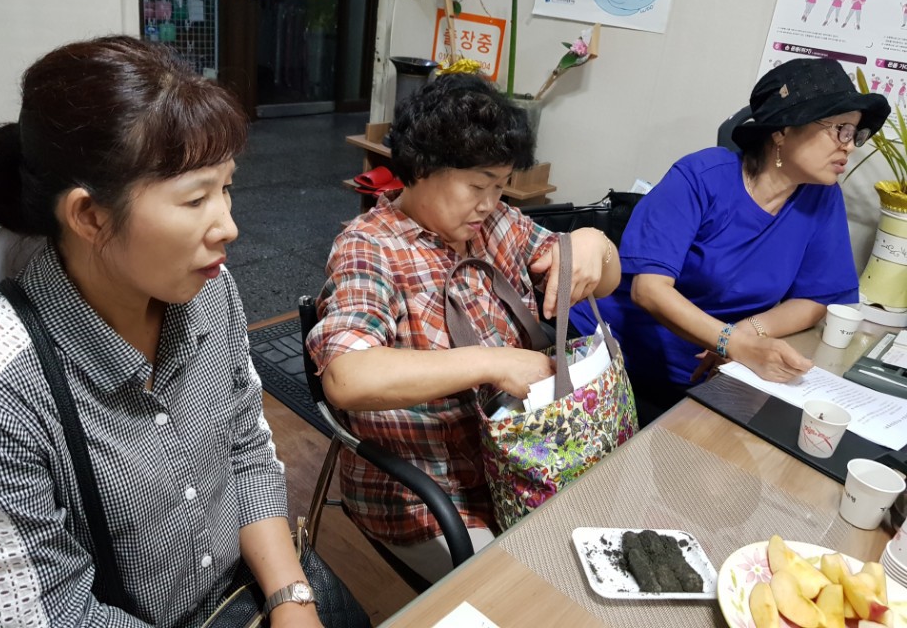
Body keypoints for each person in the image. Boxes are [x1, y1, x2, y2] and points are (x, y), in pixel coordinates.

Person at [0, 36, 322, 628]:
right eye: (195, 199)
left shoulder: (209, 291)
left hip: (238, 598)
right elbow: (54, 614)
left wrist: (292, 600)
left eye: (226, 187)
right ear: (90, 216)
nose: (228, 226)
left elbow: (245, 448)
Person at [306, 73, 620, 583]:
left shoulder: (498, 225)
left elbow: (605, 280)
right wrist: (493, 362)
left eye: (499, 186)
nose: (490, 203)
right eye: (478, 185)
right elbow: (346, 376)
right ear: (422, 168)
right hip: (430, 491)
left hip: (523, 459)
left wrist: (593, 244)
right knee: (533, 586)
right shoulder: (370, 247)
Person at [569, 57, 890, 425]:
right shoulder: (701, 177)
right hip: (613, 360)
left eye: (855, 133)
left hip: (710, 377)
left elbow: (820, 296)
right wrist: (733, 343)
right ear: (782, 130)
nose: (849, 146)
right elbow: (649, 290)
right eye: (840, 130)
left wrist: (744, 333)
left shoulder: (821, 196)